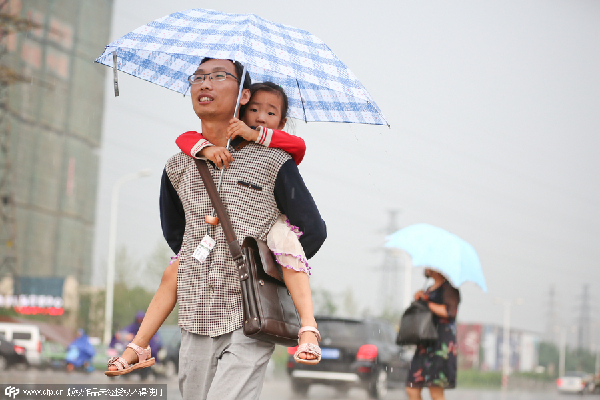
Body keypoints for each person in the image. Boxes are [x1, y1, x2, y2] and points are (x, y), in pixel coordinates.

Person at [119, 58, 326, 400]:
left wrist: (265, 269)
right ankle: (137, 345)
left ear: (241, 94)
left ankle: (309, 329)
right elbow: (176, 234)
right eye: (198, 77)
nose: (205, 84)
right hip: (195, 316)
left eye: (218, 76)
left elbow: (313, 230)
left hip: (250, 316)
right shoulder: (178, 164)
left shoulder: (273, 160)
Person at [406, 268, 461, 400]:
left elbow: (449, 312)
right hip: (425, 343)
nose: (425, 268)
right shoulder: (428, 290)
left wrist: (427, 302)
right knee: (412, 387)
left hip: (440, 345)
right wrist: (419, 298)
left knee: (435, 390)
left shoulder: (449, 289)